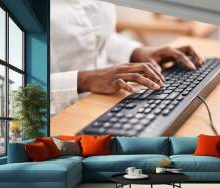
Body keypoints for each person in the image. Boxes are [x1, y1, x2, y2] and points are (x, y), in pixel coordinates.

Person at [51, 0, 204, 115]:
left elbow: (98, 36)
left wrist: (136, 52)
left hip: (105, 101)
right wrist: (85, 80)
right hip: (52, 116)